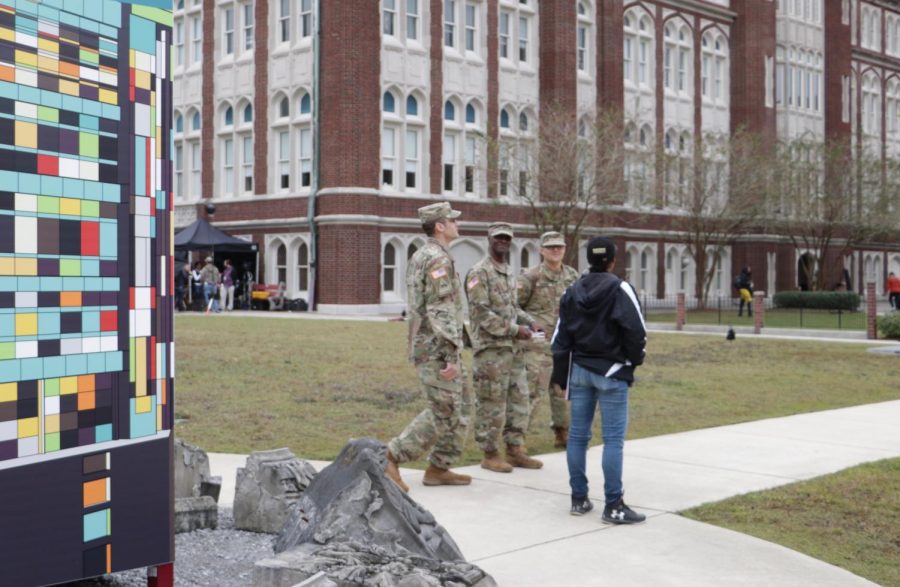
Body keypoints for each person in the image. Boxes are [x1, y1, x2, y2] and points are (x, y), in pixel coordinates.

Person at [551, 236, 647, 524]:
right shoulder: (621, 288)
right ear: (613, 261)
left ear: (588, 260)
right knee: (613, 440)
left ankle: (578, 499)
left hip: (579, 371)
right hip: (612, 372)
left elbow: (560, 337)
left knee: (578, 437)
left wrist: (562, 373)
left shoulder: (571, 290)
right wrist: (632, 362)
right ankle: (614, 505)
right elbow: (636, 331)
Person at [385, 202, 474, 491]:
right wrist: (450, 353)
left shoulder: (423, 255)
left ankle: (439, 467)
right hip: (436, 349)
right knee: (443, 410)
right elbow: (440, 308)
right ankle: (391, 456)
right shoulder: (437, 259)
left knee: (460, 406)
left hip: (432, 344)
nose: (456, 224)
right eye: (452, 220)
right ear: (440, 225)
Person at [466, 222, 545, 473]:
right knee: (491, 404)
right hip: (491, 353)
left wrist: (530, 321)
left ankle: (515, 449)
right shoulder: (479, 272)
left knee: (519, 400)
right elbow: (480, 314)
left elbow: (512, 308)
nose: (503, 241)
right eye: (499, 237)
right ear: (488, 238)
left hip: (514, 351)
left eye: (507, 238)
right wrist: (515, 330)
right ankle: (490, 453)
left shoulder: (509, 272)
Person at [517, 231, 580, 448]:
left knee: (561, 391)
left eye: (559, 247)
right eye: (551, 247)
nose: (555, 250)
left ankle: (562, 433)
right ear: (541, 250)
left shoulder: (572, 276)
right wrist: (529, 326)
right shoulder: (530, 277)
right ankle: (517, 440)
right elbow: (514, 307)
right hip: (537, 346)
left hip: (564, 344)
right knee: (533, 393)